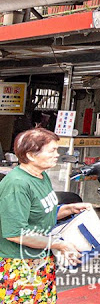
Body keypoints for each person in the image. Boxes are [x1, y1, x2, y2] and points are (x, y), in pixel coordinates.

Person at [0, 128, 92, 303]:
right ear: (31, 155)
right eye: (52, 151)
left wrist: (69, 209)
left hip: (41, 258)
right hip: (19, 264)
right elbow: (15, 232)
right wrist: (60, 245)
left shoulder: (42, 176)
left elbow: (41, 213)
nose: (57, 155)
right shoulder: (17, 184)